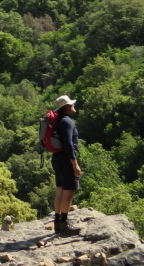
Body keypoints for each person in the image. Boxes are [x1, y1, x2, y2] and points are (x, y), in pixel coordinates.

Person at [52, 95, 81, 235]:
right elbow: (69, 145)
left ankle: (57, 223)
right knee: (69, 191)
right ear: (67, 107)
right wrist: (75, 164)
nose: (73, 106)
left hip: (57, 158)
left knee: (60, 190)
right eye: (71, 104)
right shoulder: (67, 122)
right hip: (65, 159)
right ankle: (64, 225)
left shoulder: (57, 121)